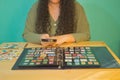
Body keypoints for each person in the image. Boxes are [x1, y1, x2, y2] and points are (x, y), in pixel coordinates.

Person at [22, 0, 90, 46]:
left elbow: (85, 34)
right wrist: (41, 39)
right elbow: (27, 34)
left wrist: (65, 38)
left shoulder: (76, 7)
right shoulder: (36, 7)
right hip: (42, 56)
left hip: (69, 57)